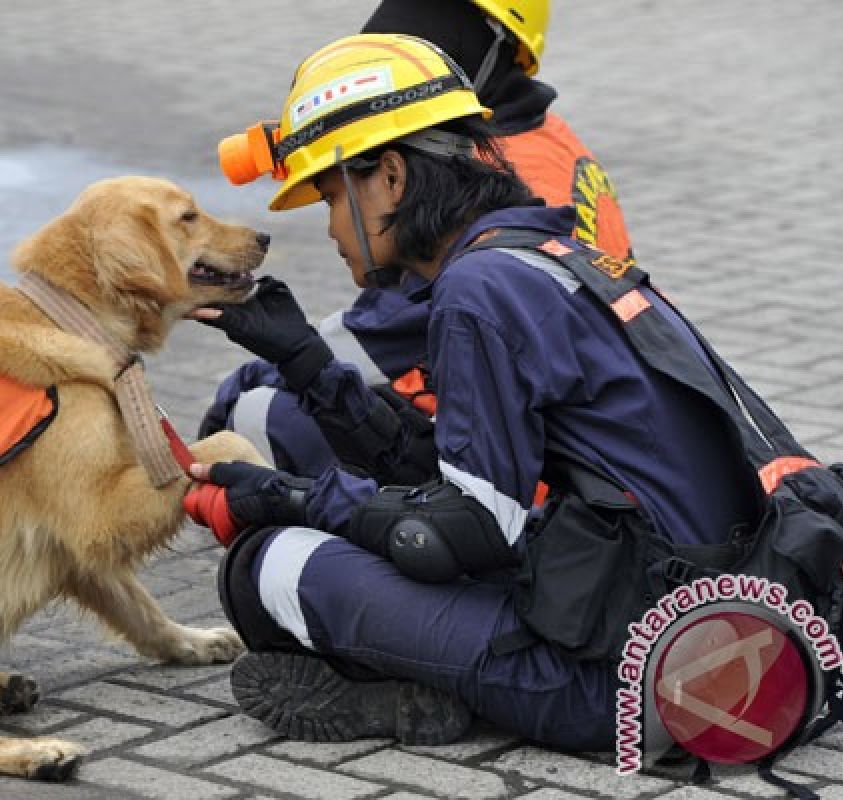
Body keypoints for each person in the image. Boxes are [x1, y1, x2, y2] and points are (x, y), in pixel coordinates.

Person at [182, 32, 770, 750]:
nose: (333, 228)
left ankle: (430, 690)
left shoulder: (478, 290)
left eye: (333, 197)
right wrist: (305, 362)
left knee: (268, 567)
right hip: (714, 628)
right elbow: (454, 478)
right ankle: (419, 680)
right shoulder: (536, 252)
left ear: (392, 178)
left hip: (637, 681)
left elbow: (463, 531)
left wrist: (291, 500)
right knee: (318, 515)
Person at [201, 0, 635, 486]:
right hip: (564, 444)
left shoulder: (490, 173)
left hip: (535, 482)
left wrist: (269, 365)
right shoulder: (546, 139)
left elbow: (385, 332)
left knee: (264, 415)